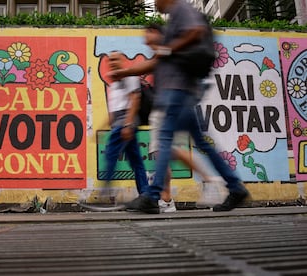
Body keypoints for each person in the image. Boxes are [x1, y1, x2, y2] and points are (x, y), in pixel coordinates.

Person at [110, 0, 249, 214]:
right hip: (183, 94)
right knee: (202, 142)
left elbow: (196, 30)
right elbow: (154, 62)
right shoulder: (173, 23)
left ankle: (153, 195)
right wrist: (125, 72)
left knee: (164, 139)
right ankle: (235, 187)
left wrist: (167, 49)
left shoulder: (181, 9)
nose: (155, 3)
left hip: (176, 92)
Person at [144, 24, 213, 213]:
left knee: (165, 151)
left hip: (167, 109)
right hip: (165, 108)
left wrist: (128, 73)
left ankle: (168, 197)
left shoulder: (167, 51)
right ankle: (166, 198)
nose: (146, 37)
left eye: (149, 32)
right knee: (165, 152)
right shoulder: (164, 53)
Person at [102, 50, 149, 203]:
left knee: (110, 154)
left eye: (116, 59)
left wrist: (128, 124)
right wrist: (105, 124)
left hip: (125, 122)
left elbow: (135, 98)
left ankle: (104, 191)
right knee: (136, 161)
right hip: (119, 122)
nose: (113, 62)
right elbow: (115, 106)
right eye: (110, 60)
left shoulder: (129, 75)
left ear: (123, 60)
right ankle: (146, 195)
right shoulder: (114, 81)